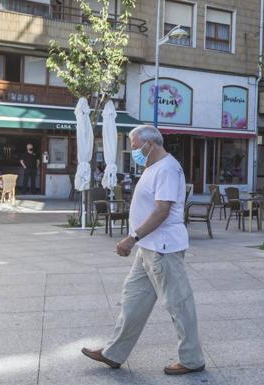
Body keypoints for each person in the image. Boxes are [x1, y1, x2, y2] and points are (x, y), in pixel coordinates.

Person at [82, 125, 205, 375]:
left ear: (152, 144)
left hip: (162, 248)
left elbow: (163, 210)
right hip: (148, 248)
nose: (134, 151)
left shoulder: (168, 168)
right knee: (132, 301)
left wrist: (132, 237)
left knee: (178, 304)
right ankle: (113, 353)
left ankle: (192, 359)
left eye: (136, 147)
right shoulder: (153, 167)